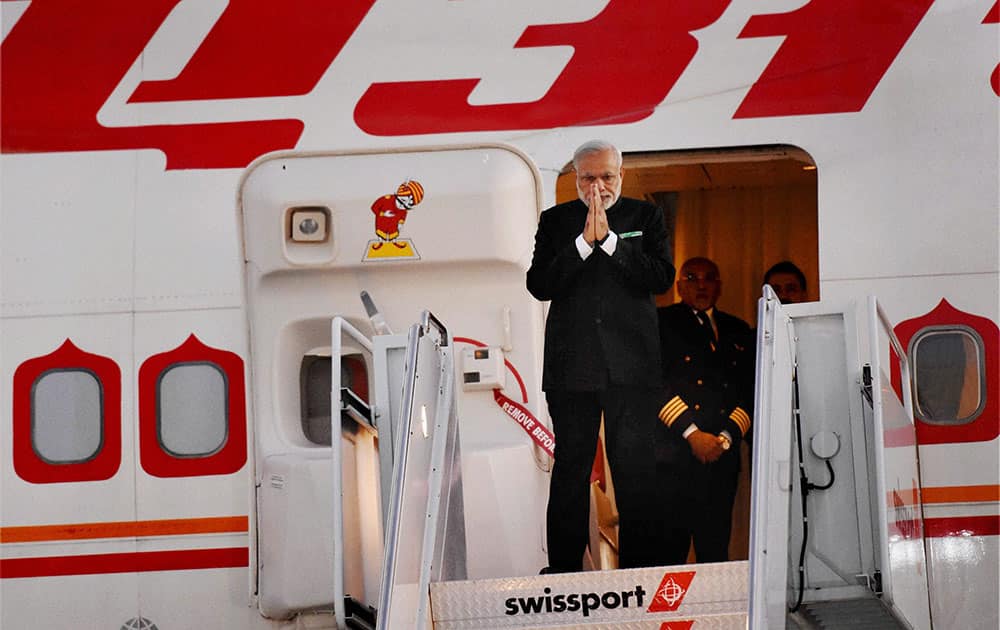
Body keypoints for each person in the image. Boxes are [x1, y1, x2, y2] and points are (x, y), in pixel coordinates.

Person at [526, 140, 675, 572]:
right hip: (572, 369)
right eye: (588, 177)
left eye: (606, 177)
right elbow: (540, 284)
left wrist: (609, 242)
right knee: (571, 471)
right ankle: (565, 571)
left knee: (635, 471)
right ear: (575, 178)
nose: (597, 187)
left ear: (621, 176)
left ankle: (640, 569)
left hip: (632, 367)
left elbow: (661, 276)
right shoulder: (555, 222)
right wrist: (581, 246)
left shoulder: (644, 216)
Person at [654, 257, 754, 565]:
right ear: (679, 285)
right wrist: (692, 434)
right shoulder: (661, 322)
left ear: (719, 286)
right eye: (692, 277)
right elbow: (653, 384)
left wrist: (724, 439)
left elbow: (750, 392)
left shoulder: (739, 330)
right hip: (675, 456)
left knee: (715, 552)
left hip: (720, 459)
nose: (701, 284)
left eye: (709, 278)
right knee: (669, 555)